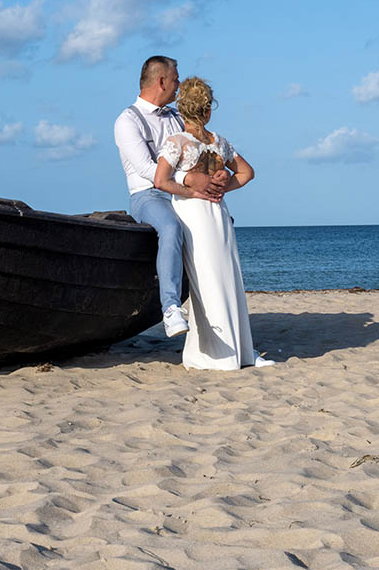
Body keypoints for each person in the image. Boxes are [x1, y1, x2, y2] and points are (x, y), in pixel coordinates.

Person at [152, 77, 273, 369]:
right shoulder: (215, 142)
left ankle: (236, 352)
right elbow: (246, 173)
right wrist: (220, 188)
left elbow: (160, 181)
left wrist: (196, 190)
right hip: (209, 215)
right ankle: (227, 353)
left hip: (199, 213)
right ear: (207, 110)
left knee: (219, 278)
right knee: (217, 278)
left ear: (182, 110)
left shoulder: (182, 143)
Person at [114, 56, 227, 337]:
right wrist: (187, 179)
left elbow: (197, 154)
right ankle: (171, 309)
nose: (179, 86)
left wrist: (215, 175)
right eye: (175, 79)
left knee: (219, 221)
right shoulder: (127, 120)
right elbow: (145, 169)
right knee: (170, 227)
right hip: (148, 195)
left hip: (183, 192)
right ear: (161, 81)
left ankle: (222, 311)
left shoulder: (178, 118)